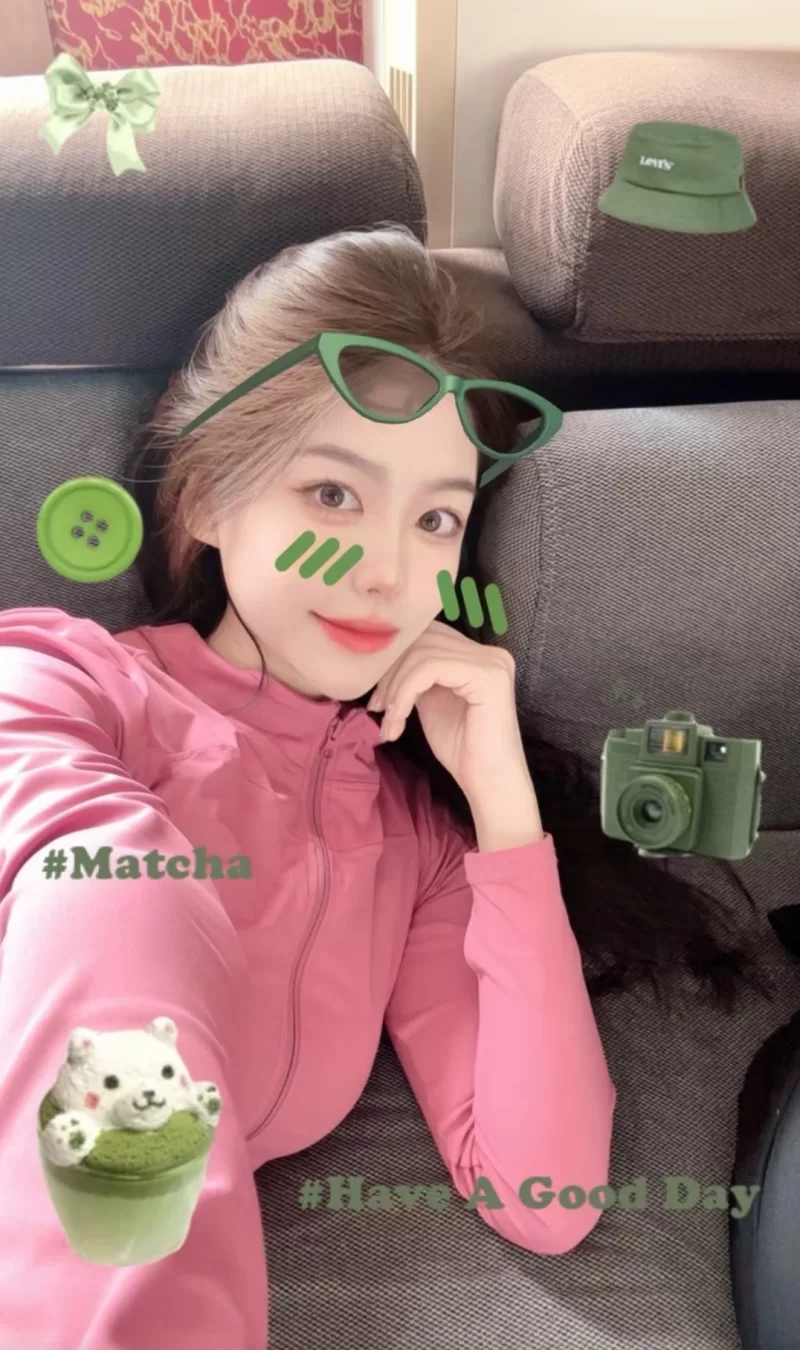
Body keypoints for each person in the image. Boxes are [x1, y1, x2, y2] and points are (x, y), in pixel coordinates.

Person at [0, 225, 767, 1350]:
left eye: (435, 518)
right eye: (331, 492)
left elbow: (544, 1194)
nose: (388, 572)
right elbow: (99, 889)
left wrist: (501, 811)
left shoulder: (413, 836)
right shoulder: (57, 684)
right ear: (207, 499)